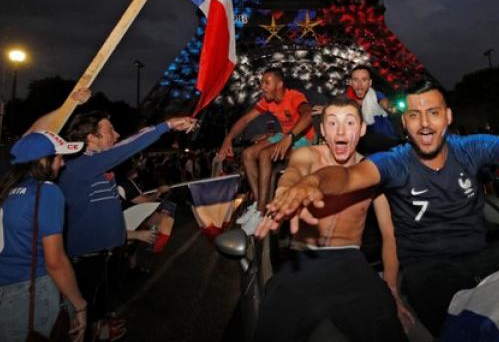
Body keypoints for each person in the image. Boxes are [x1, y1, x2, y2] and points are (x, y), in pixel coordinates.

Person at [261, 78, 499, 336]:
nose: (425, 124)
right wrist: (312, 181)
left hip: (494, 260)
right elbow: (347, 178)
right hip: (432, 277)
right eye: (415, 115)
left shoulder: (472, 147)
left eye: (433, 113)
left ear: (448, 117)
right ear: (404, 122)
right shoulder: (393, 161)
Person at [253, 97, 409, 341]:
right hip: (301, 263)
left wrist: (392, 292)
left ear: (362, 129)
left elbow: (389, 236)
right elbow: (295, 171)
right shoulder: (308, 155)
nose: (341, 131)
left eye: (349, 123)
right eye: (333, 123)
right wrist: (286, 190)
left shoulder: (373, 172)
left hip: (352, 264)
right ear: (323, 130)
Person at [52, 106, 197, 341]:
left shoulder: (100, 167)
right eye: (110, 130)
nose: (117, 135)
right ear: (91, 138)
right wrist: (167, 125)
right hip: (83, 261)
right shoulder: (79, 165)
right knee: (77, 323)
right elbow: (127, 146)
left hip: (102, 257)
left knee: (95, 313)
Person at [0, 131, 87, 342]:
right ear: (42, 160)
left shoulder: (7, 191)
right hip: (32, 291)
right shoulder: (46, 192)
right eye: (58, 157)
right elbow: (55, 261)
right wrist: (80, 305)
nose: (63, 163)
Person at [218, 68, 313, 233]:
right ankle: (257, 206)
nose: (262, 86)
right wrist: (228, 139)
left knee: (264, 155)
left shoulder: (294, 96)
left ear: (280, 84)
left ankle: (262, 211)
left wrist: (290, 137)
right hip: (284, 135)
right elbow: (246, 119)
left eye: (266, 82)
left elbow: (308, 115)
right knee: (247, 154)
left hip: (302, 137)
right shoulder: (267, 101)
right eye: (262, 82)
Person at [344, 65, 399, 154]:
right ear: (350, 82)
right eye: (355, 80)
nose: (359, 84)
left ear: (369, 83)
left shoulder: (376, 95)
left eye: (364, 80)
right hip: (363, 149)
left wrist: (390, 107)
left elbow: (384, 102)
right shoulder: (345, 100)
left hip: (388, 143)